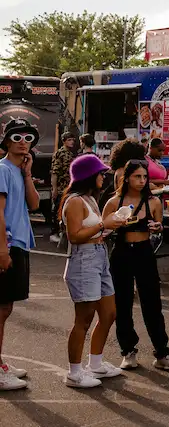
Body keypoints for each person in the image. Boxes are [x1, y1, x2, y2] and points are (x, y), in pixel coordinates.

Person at [104, 159, 169, 371]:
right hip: (121, 253)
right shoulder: (114, 202)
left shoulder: (153, 202)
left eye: (144, 177)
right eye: (137, 176)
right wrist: (113, 225)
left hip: (144, 252)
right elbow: (102, 230)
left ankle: (162, 352)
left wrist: (158, 227)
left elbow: (159, 227)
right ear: (126, 178)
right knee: (123, 303)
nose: (142, 180)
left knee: (152, 303)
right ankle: (128, 352)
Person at [61, 154, 126, 388]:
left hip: (99, 256)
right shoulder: (75, 201)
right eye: (100, 173)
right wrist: (103, 224)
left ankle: (95, 364)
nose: (104, 176)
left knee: (109, 312)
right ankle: (74, 373)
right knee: (84, 317)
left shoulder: (90, 199)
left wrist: (111, 226)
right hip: (83, 261)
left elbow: (95, 231)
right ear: (88, 175)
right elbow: (74, 236)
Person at [0, 119, 41, 391]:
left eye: (27, 137)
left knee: (6, 308)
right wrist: (2, 249)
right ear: (6, 141)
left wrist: (27, 174)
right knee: (0, 308)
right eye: (16, 137)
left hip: (21, 244)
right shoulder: (2, 169)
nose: (22, 141)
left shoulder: (18, 171)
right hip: (8, 244)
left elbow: (35, 204)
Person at [49, 132, 77, 243]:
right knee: (57, 210)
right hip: (61, 187)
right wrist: (54, 188)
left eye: (73, 140)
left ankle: (61, 231)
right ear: (64, 141)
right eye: (69, 140)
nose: (72, 142)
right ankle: (54, 232)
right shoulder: (60, 153)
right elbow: (55, 172)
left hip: (68, 187)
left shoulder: (70, 154)